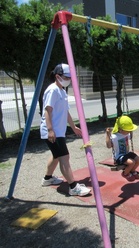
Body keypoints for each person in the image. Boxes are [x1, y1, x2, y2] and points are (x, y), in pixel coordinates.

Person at [40, 63, 91, 196]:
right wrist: (50, 130)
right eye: (67, 77)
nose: (69, 80)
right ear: (58, 76)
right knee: (64, 157)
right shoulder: (53, 90)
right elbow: (47, 111)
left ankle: (48, 179)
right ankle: (73, 187)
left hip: (58, 131)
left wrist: (73, 127)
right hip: (53, 132)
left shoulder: (62, 90)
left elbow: (66, 112)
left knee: (56, 156)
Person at [105, 115, 139, 182]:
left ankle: (132, 171)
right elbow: (108, 146)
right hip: (119, 157)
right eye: (127, 130)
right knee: (132, 162)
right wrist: (108, 134)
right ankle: (125, 173)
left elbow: (130, 137)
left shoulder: (126, 133)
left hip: (127, 153)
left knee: (138, 159)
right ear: (120, 129)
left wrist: (131, 130)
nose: (128, 132)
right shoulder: (114, 136)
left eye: (129, 130)